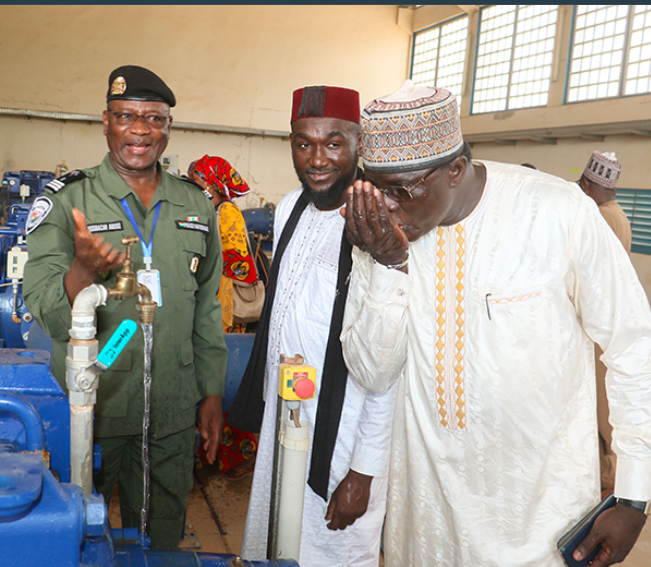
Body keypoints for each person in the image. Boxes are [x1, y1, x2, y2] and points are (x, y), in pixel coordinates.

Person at [340, 80, 651, 567]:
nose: (386, 206)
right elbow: (372, 372)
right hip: (427, 525)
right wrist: (389, 266)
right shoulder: (382, 236)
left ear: (455, 170)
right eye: (375, 188)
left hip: (540, 522)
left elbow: (633, 347)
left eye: (401, 191)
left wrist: (634, 493)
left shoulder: (557, 212)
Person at [23, 65, 227, 551]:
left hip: (173, 409)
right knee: (75, 530)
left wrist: (212, 392)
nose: (140, 130)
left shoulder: (195, 203)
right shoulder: (69, 200)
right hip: (94, 403)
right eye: (126, 116)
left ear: (168, 127)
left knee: (162, 536)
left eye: (154, 118)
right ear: (106, 121)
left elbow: (206, 308)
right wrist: (82, 271)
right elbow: (45, 308)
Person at [229, 85, 397, 567]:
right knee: (275, 544)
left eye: (333, 142)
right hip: (286, 418)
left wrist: (364, 470)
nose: (317, 157)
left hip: (344, 435)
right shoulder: (289, 208)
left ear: (359, 142)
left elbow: (389, 359)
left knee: (333, 553)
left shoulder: (378, 220)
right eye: (304, 143)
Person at [578, 150, 632, 491]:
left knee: (595, 412)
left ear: (587, 184)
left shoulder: (602, 218)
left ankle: (603, 482)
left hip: (597, 327)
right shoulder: (617, 213)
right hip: (604, 322)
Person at [187, 155, 259, 333]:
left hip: (225, 297)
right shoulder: (210, 211)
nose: (191, 186)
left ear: (210, 184)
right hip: (213, 294)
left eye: (195, 180)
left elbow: (237, 257)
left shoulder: (226, 211)